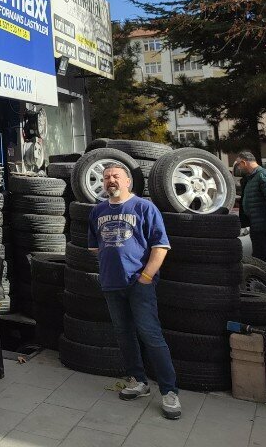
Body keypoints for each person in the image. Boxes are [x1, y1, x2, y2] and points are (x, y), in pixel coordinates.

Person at [88, 163, 181, 420]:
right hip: (111, 284)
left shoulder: (144, 207)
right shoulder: (97, 211)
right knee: (124, 334)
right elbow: (95, 247)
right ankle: (138, 381)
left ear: (128, 181)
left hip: (139, 284)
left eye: (115, 176)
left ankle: (169, 392)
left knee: (151, 335)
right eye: (106, 177)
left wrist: (146, 277)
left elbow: (160, 247)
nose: (110, 180)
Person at [234, 151, 266, 262]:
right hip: (256, 227)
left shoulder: (263, 175)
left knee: (265, 258)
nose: (238, 168)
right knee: (260, 258)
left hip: (265, 228)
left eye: (238, 164)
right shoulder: (251, 179)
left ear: (244, 162)